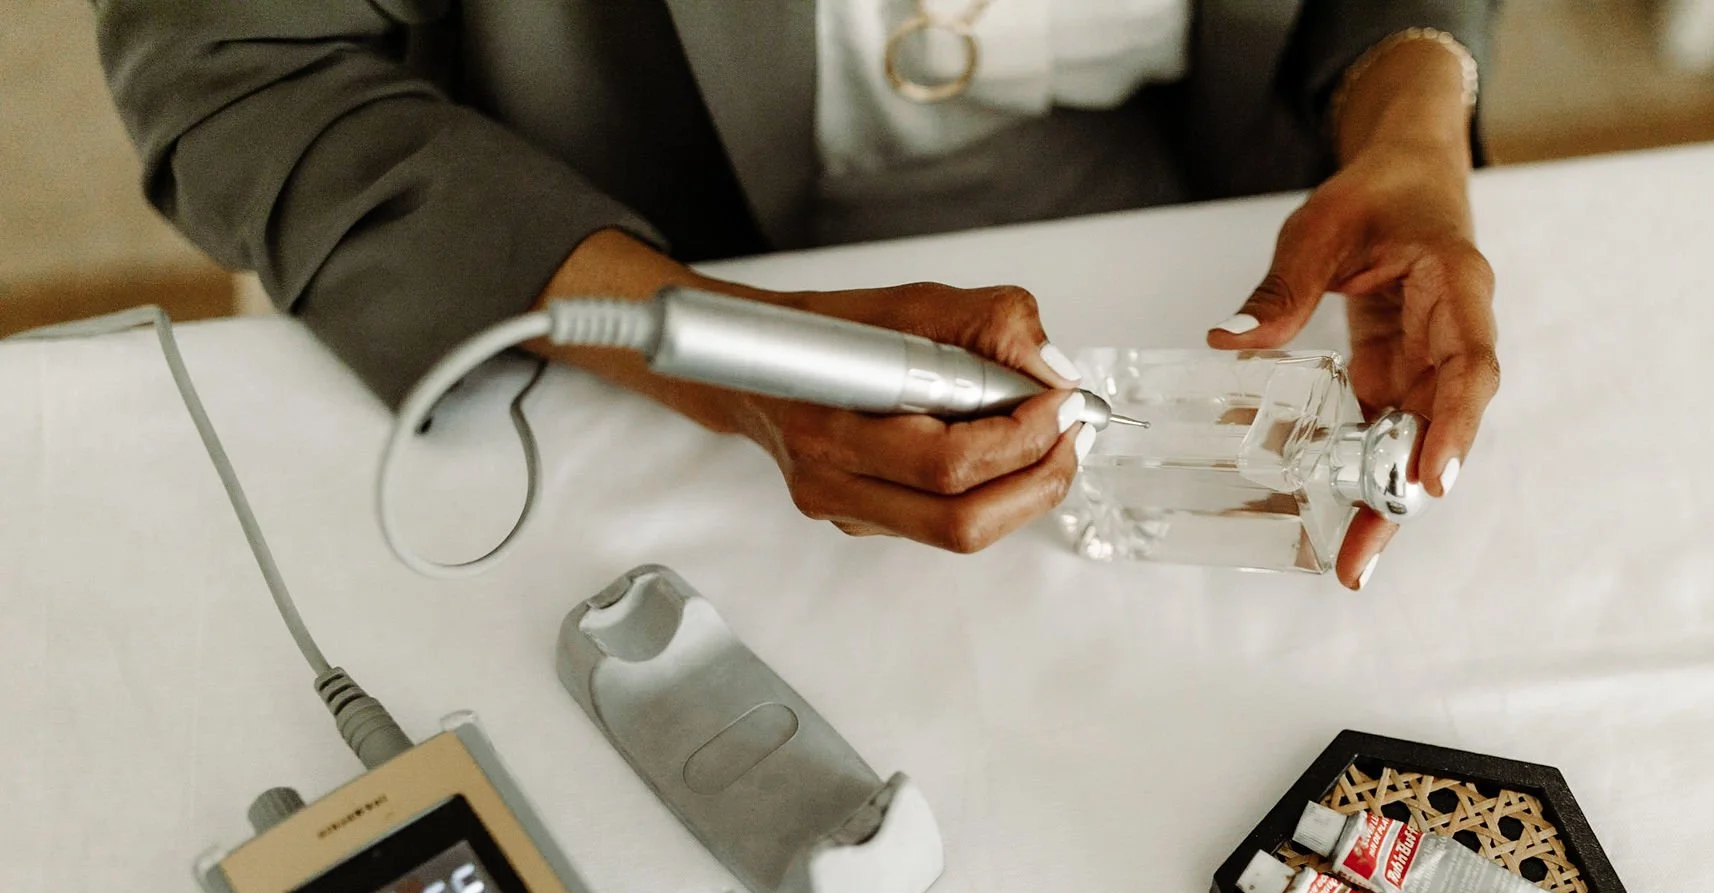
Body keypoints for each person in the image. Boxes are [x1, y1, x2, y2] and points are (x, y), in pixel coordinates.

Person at [95, 0, 1500, 589]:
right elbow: (233, 69)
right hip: (597, 242)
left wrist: (1412, 110)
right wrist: (698, 345)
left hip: (1182, 198)